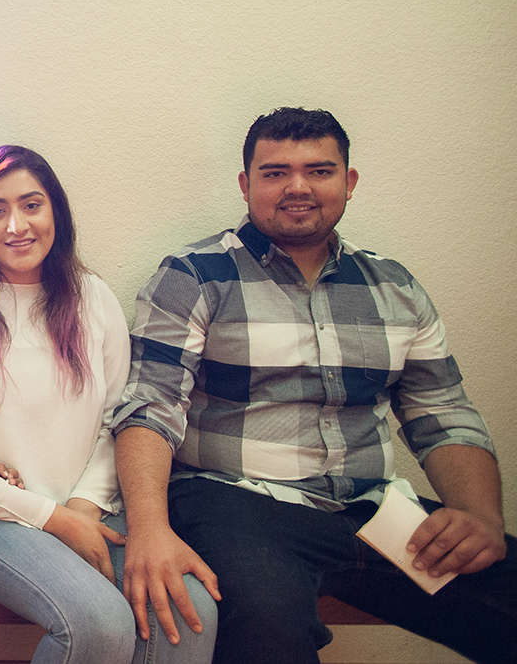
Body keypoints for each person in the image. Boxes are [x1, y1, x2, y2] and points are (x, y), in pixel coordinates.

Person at [112, 107, 516, 664]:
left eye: (319, 171)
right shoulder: (196, 275)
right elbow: (150, 408)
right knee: (266, 628)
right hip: (236, 502)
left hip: (372, 510)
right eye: (275, 172)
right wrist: (149, 529)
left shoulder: (394, 286)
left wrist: (480, 515)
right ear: (246, 185)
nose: (297, 187)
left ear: (349, 182)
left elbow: (442, 412)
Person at [0, 146, 216, 664]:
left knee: (189, 612)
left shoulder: (94, 298)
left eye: (32, 205)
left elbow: (119, 420)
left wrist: (83, 508)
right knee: (98, 623)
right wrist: (56, 520)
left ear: (56, 212)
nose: (16, 226)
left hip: (89, 507)